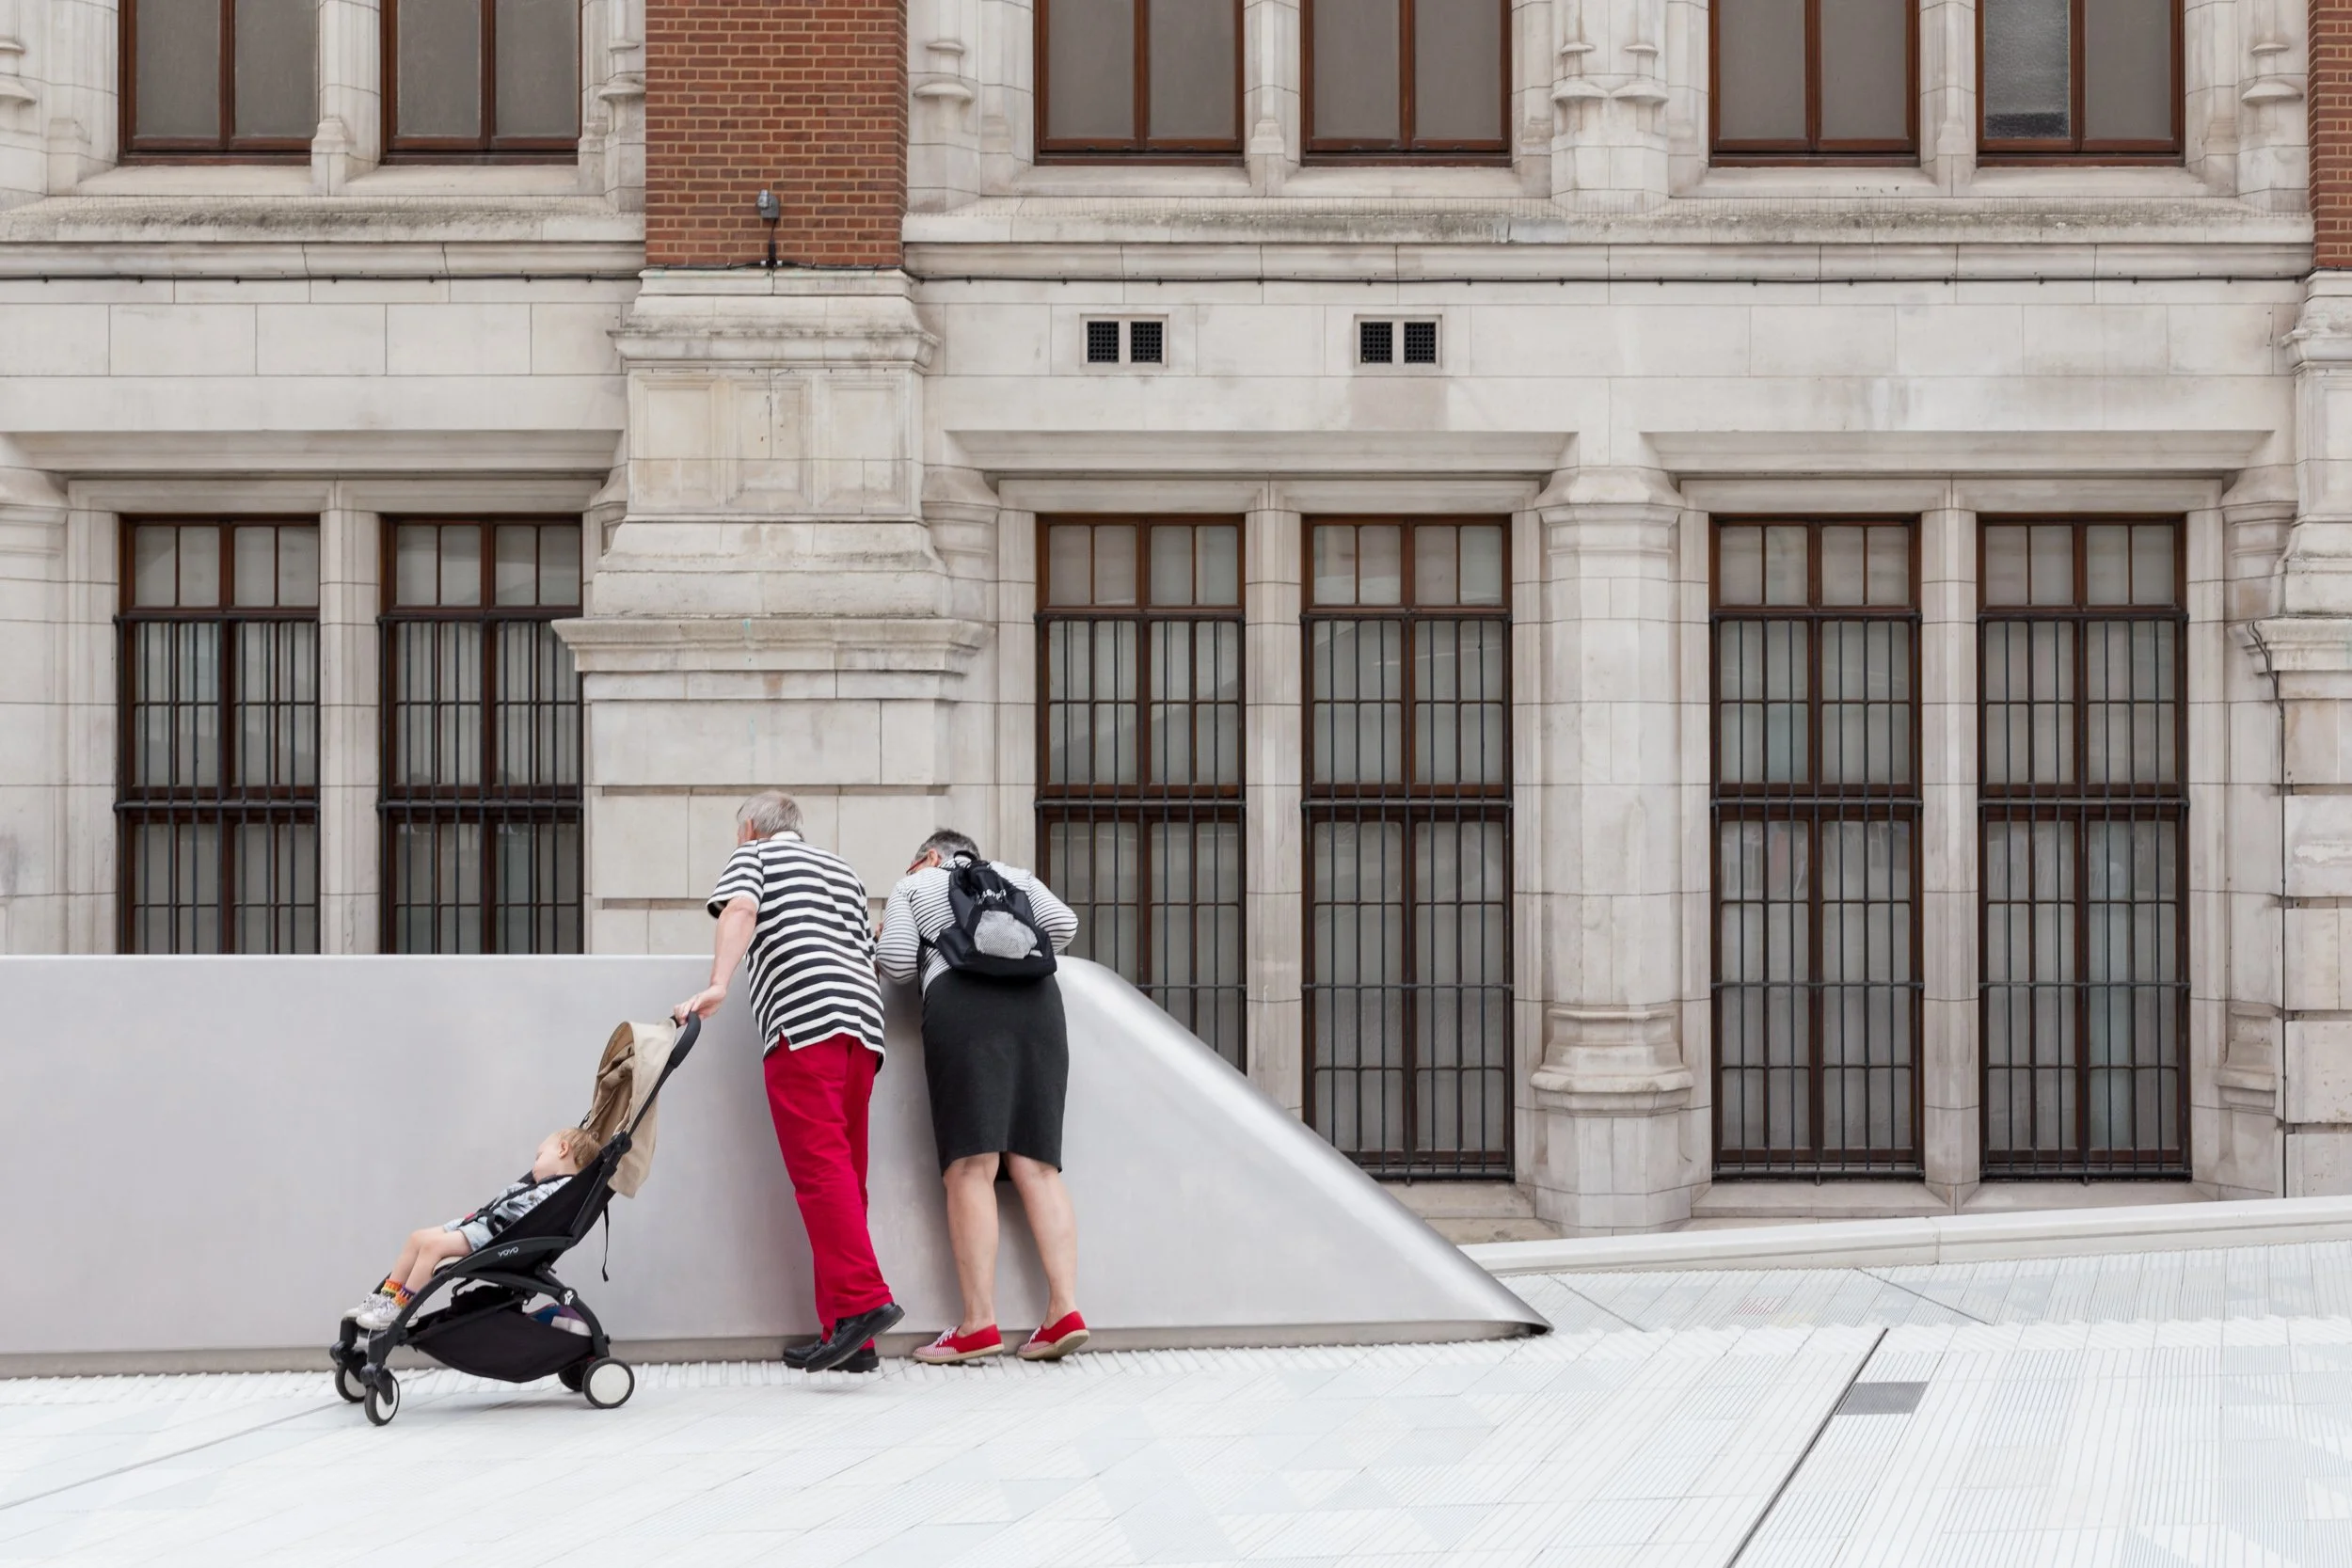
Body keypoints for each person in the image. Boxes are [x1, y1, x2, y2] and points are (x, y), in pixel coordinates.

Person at [675, 791, 903, 1374]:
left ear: (750, 827)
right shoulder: (843, 870)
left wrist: (719, 983)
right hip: (863, 1029)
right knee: (847, 1177)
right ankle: (849, 1338)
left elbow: (739, 910)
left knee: (819, 1172)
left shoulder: (755, 856)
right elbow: (866, 949)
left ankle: (864, 1304)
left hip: (803, 1025)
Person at [877, 829, 1088, 1364]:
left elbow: (897, 963)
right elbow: (1065, 925)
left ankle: (978, 1323)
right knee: (1038, 1165)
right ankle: (1063, 1311)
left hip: (963, 1006)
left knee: (972, 1165)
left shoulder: (916, 885)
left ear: (929, 856)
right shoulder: (1015, 876)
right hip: (1038, 1006)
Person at [347, 1127, 603, 1331]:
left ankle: (403, 1307)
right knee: (417, 1238)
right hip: (481, 1224)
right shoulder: (551, 1187)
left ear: (562, 1149)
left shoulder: (563, 1190)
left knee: (432, 1247)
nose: (534, 1165)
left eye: (539, 1157)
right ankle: (386, 1297)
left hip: (495, 1237)